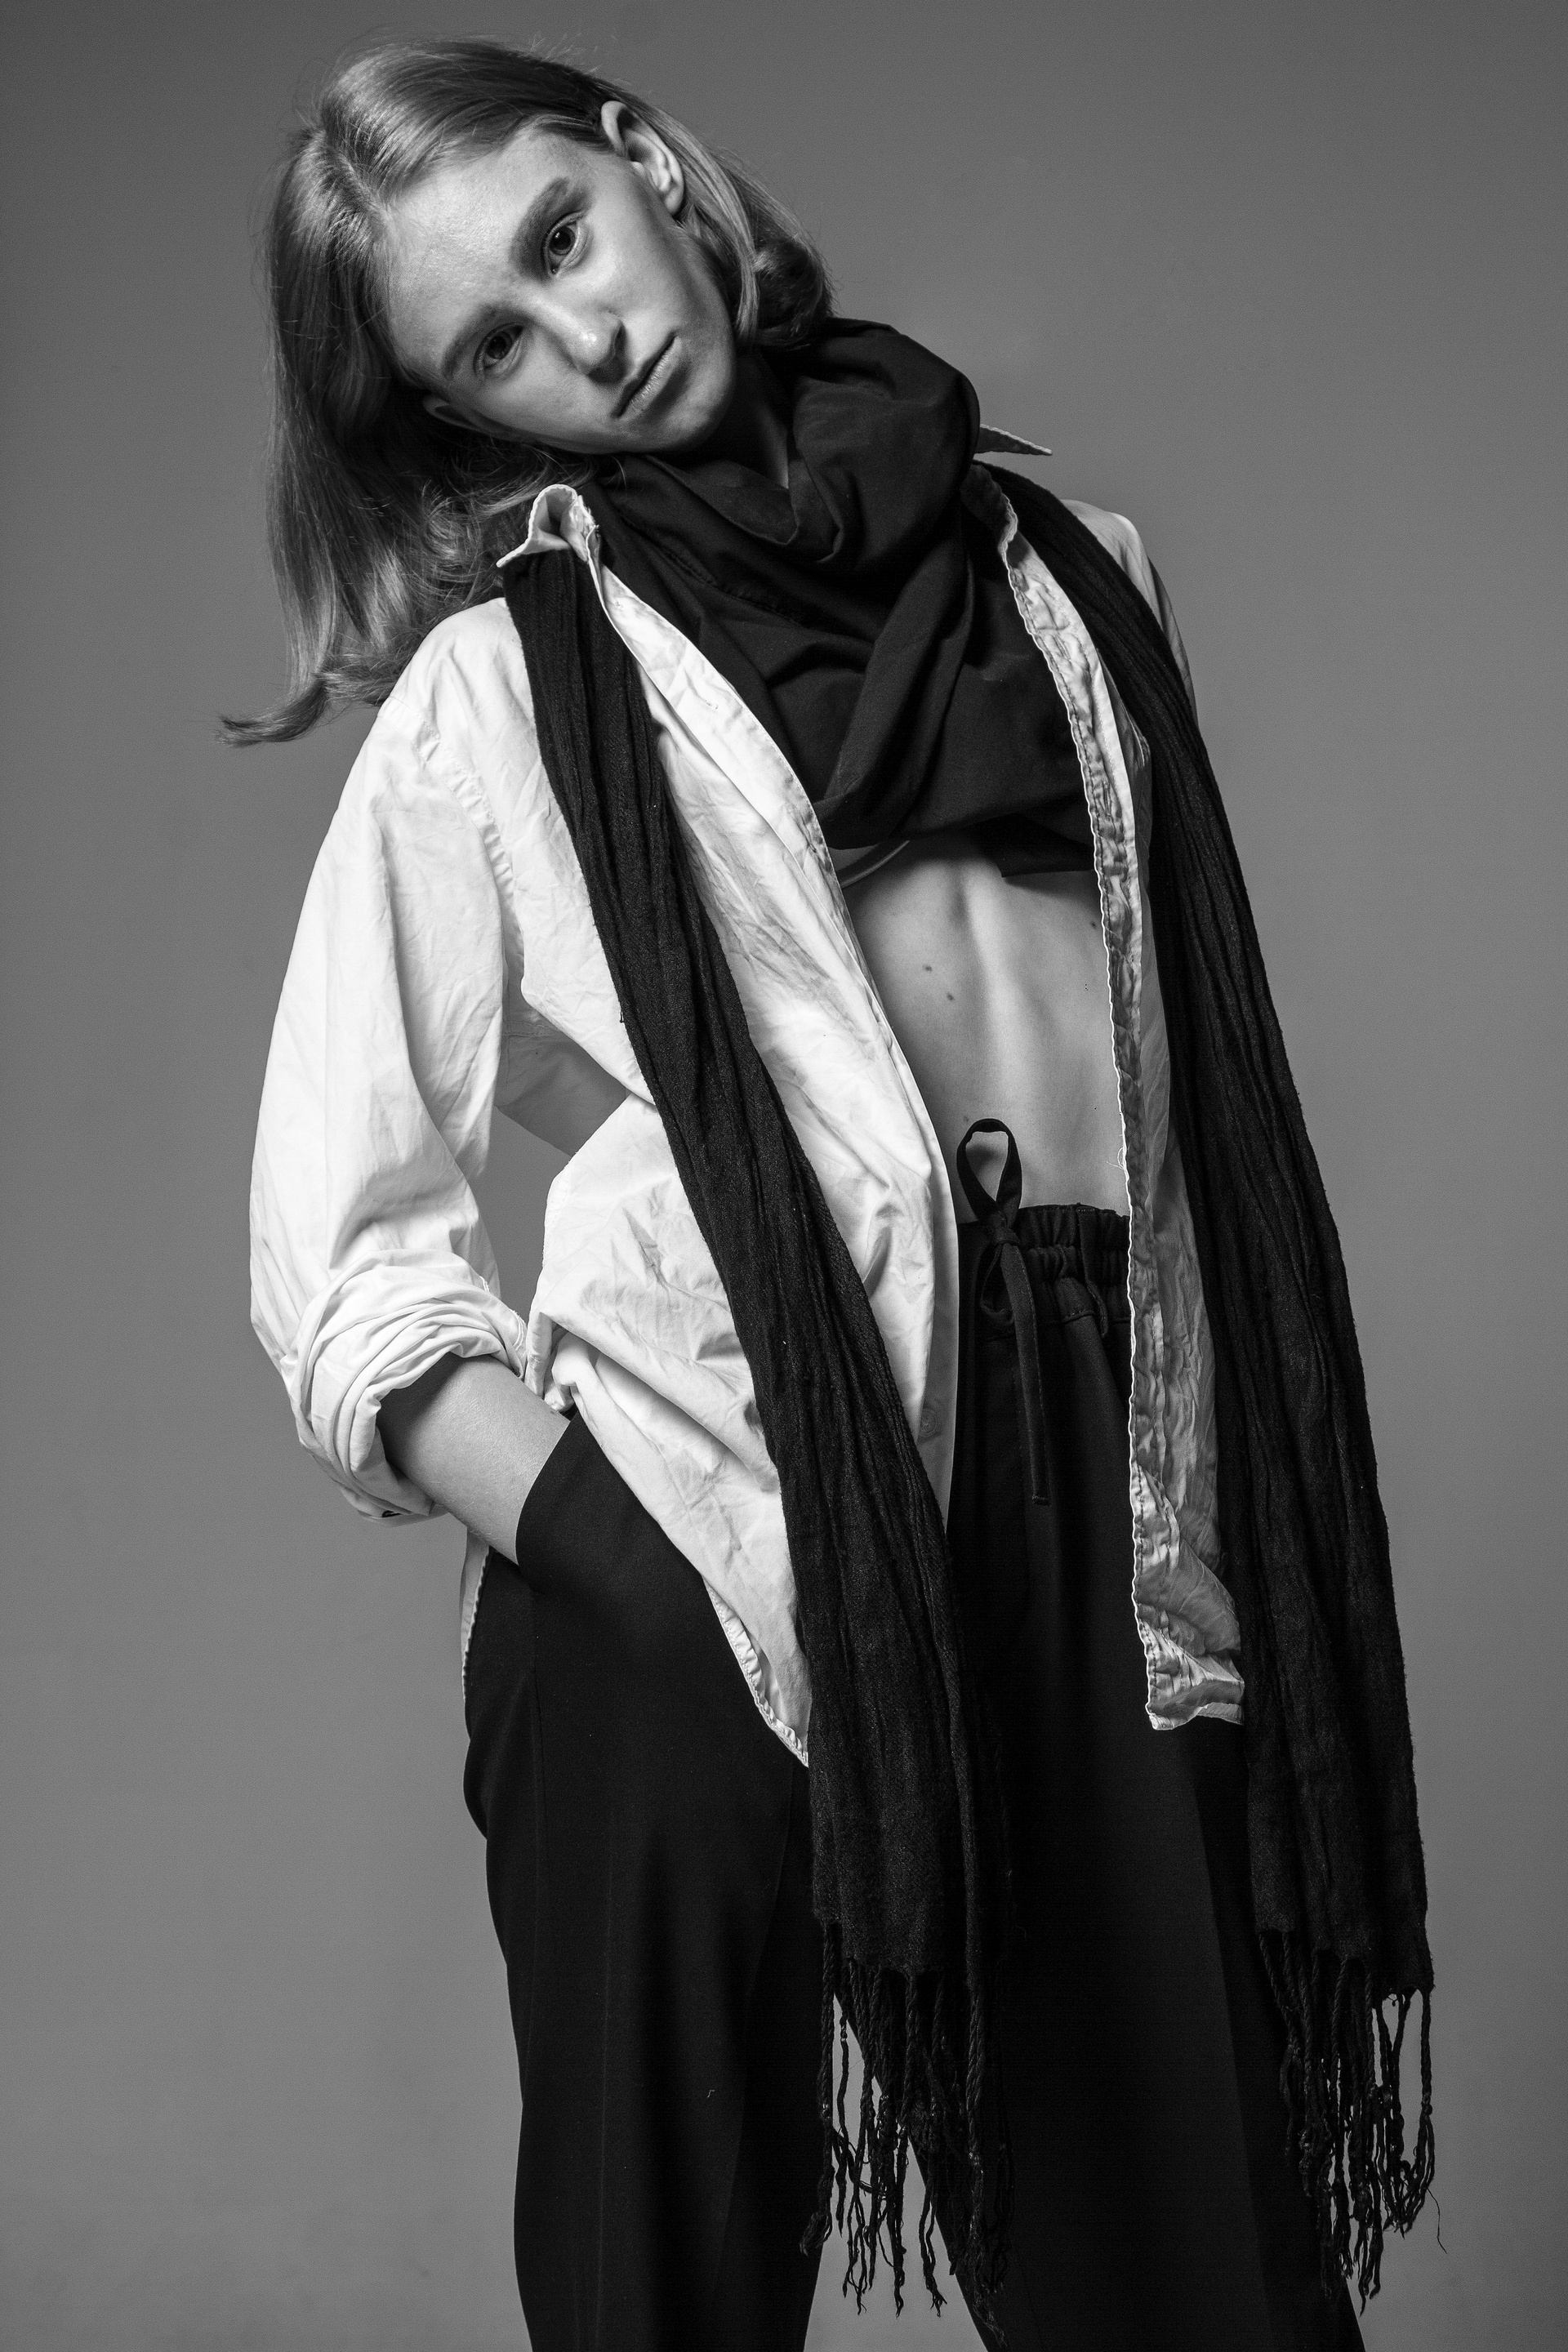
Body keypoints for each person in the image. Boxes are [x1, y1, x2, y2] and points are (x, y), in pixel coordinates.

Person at [237, 34, 1435, 2352]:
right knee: (665, 2295)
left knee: (1204, 2286)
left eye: (563, 238)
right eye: (493, 345)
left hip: (1098, 1464)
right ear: (464, 412)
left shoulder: (1083, 583)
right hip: (709, 1498)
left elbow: (1175, 1107)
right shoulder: (504, 693)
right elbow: (342, 1266)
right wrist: (633, 1583)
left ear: (650, 163)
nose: (582, 334)